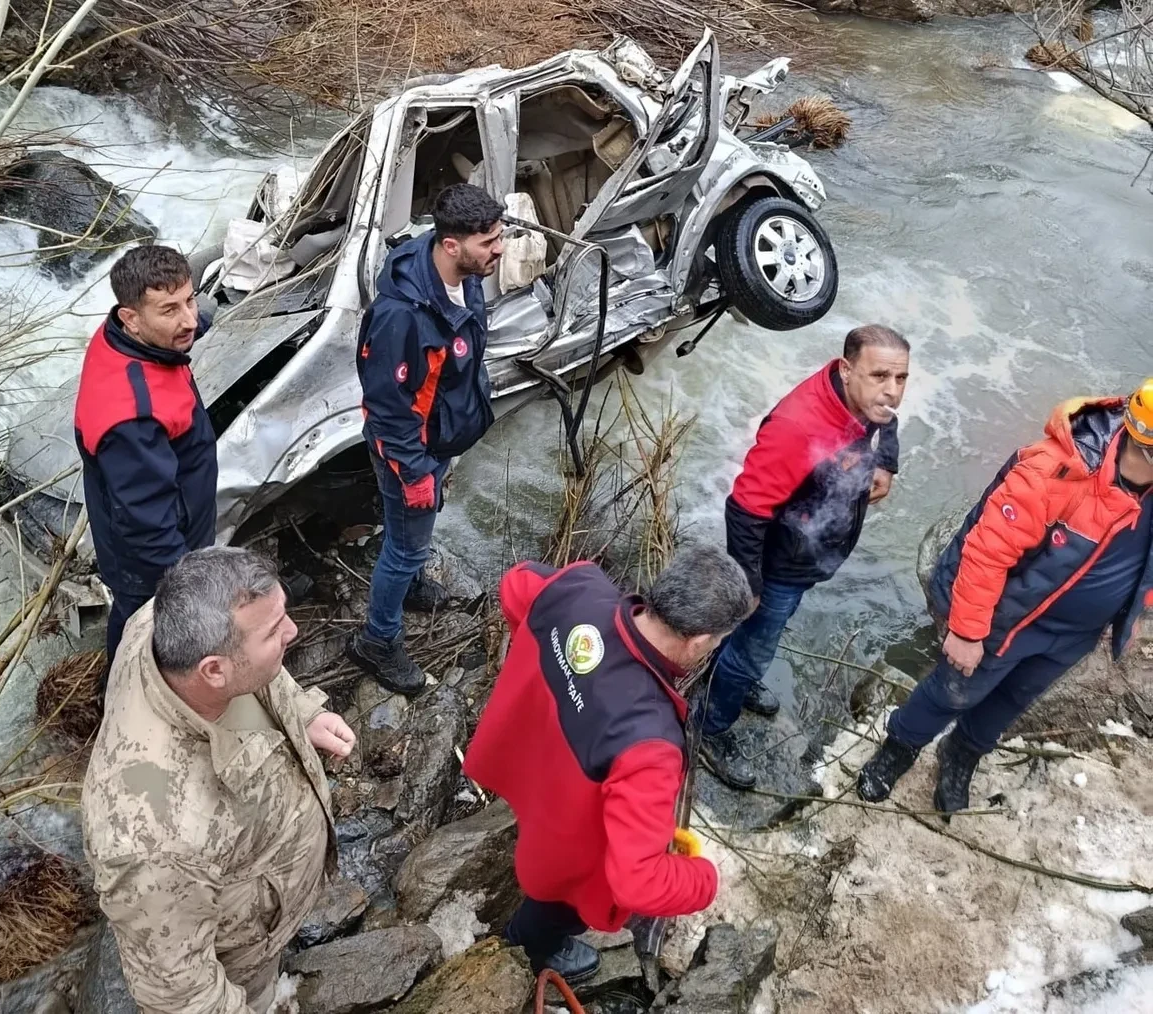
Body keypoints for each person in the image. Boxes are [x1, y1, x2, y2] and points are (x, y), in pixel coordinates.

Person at [463, 545, 754, 984]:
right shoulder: (650, 742)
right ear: (697, 641)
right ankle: (528, 949)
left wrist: (544, 675)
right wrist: (704, 879)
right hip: (562, 845)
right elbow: (638, 881)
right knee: (556, 909)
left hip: (522, 766)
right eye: (715, 641)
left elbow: (514, 585)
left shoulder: (580, 588)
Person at [82, 547, 355, 1013]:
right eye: (276, 632)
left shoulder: (164, 620)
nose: (293, 631)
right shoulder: (150, 838)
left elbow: (257, 669)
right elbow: (183, 994)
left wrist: (300, 713)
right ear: (213, 670)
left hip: (260, 888)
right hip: (242, 956)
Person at [858, 383, 1153, 813]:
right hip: (1009, 619)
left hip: (1074, 635)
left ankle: (962, 752)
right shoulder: (1057, 470)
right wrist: (966, 631)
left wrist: (1135, 612)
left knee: (1015, 698)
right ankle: (899, 748)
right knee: (950, 691)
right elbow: (987, 550)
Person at [700, 325, 910, 790]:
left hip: (811, 548)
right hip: (780, 560)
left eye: (901, 378)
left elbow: (887, 417)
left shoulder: (863, 396)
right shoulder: (800, 426)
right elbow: (746, 508)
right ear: (846, 368)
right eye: (881, 376)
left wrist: (886, 463)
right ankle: (709, 727)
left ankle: (726, 676)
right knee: (755, 646)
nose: (892, 391)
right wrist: (749, 586)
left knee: (752, 640)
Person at [345, 183, 504, 696]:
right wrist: (415, 472)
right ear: (452, 245)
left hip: (440, 436)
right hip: (411, 450)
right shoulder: (403, 317)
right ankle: (377, 640)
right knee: (407, 546)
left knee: (415, 533)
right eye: (489, 243)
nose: (499, 250)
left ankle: (410, 587)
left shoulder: (457, 271)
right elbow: (387, 407)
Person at [74, 245, 217, 669]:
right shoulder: (130, 417)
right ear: (131, 318)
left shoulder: (123, 338)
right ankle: (119, 700)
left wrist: (201, 313)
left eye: (190, 300)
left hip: (164, 520)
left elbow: (187, 323)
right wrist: (185, 582)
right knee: (143, 628)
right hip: (147, 559)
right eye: (170, 310)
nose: (188, 319)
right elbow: (148, 524)